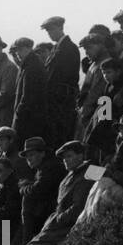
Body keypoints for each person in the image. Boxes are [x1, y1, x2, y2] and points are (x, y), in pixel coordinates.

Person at [6, 141, 94, 245]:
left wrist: (60, 218)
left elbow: (78, 207)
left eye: (69, 156)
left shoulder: (89, 171)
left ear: (81, 155)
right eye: (64, 157)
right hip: (57, 219)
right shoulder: (71, 174)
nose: (65, 160)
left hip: (68, 224)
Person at [41, 16, 81, 150]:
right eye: (48, 30)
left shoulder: (69, 48)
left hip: (62, 104)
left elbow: (67, 78)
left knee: (62, 140)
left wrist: (58, 98)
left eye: (51, 29)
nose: (50, 33)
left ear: (60, 28)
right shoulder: (57, 48)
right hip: (54, 103)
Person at [19, 135, 65, 242]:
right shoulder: (42, 167)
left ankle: (26, 241)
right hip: (49, 208)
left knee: (27, 199)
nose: (28, 159)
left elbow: (37, 190)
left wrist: (23, 188)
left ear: (42, 153)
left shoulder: (49, 167)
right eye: (26, 157)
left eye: (32, 155)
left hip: (55, 210)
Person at [9, 36, 48, 143]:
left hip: (29, 117)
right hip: (31, 115)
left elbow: (28, 96)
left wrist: (18, 115)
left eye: (20, 50)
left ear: (29, 48)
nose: (18, 53)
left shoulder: (32, 66)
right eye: (17, 50)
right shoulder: (29, 64)